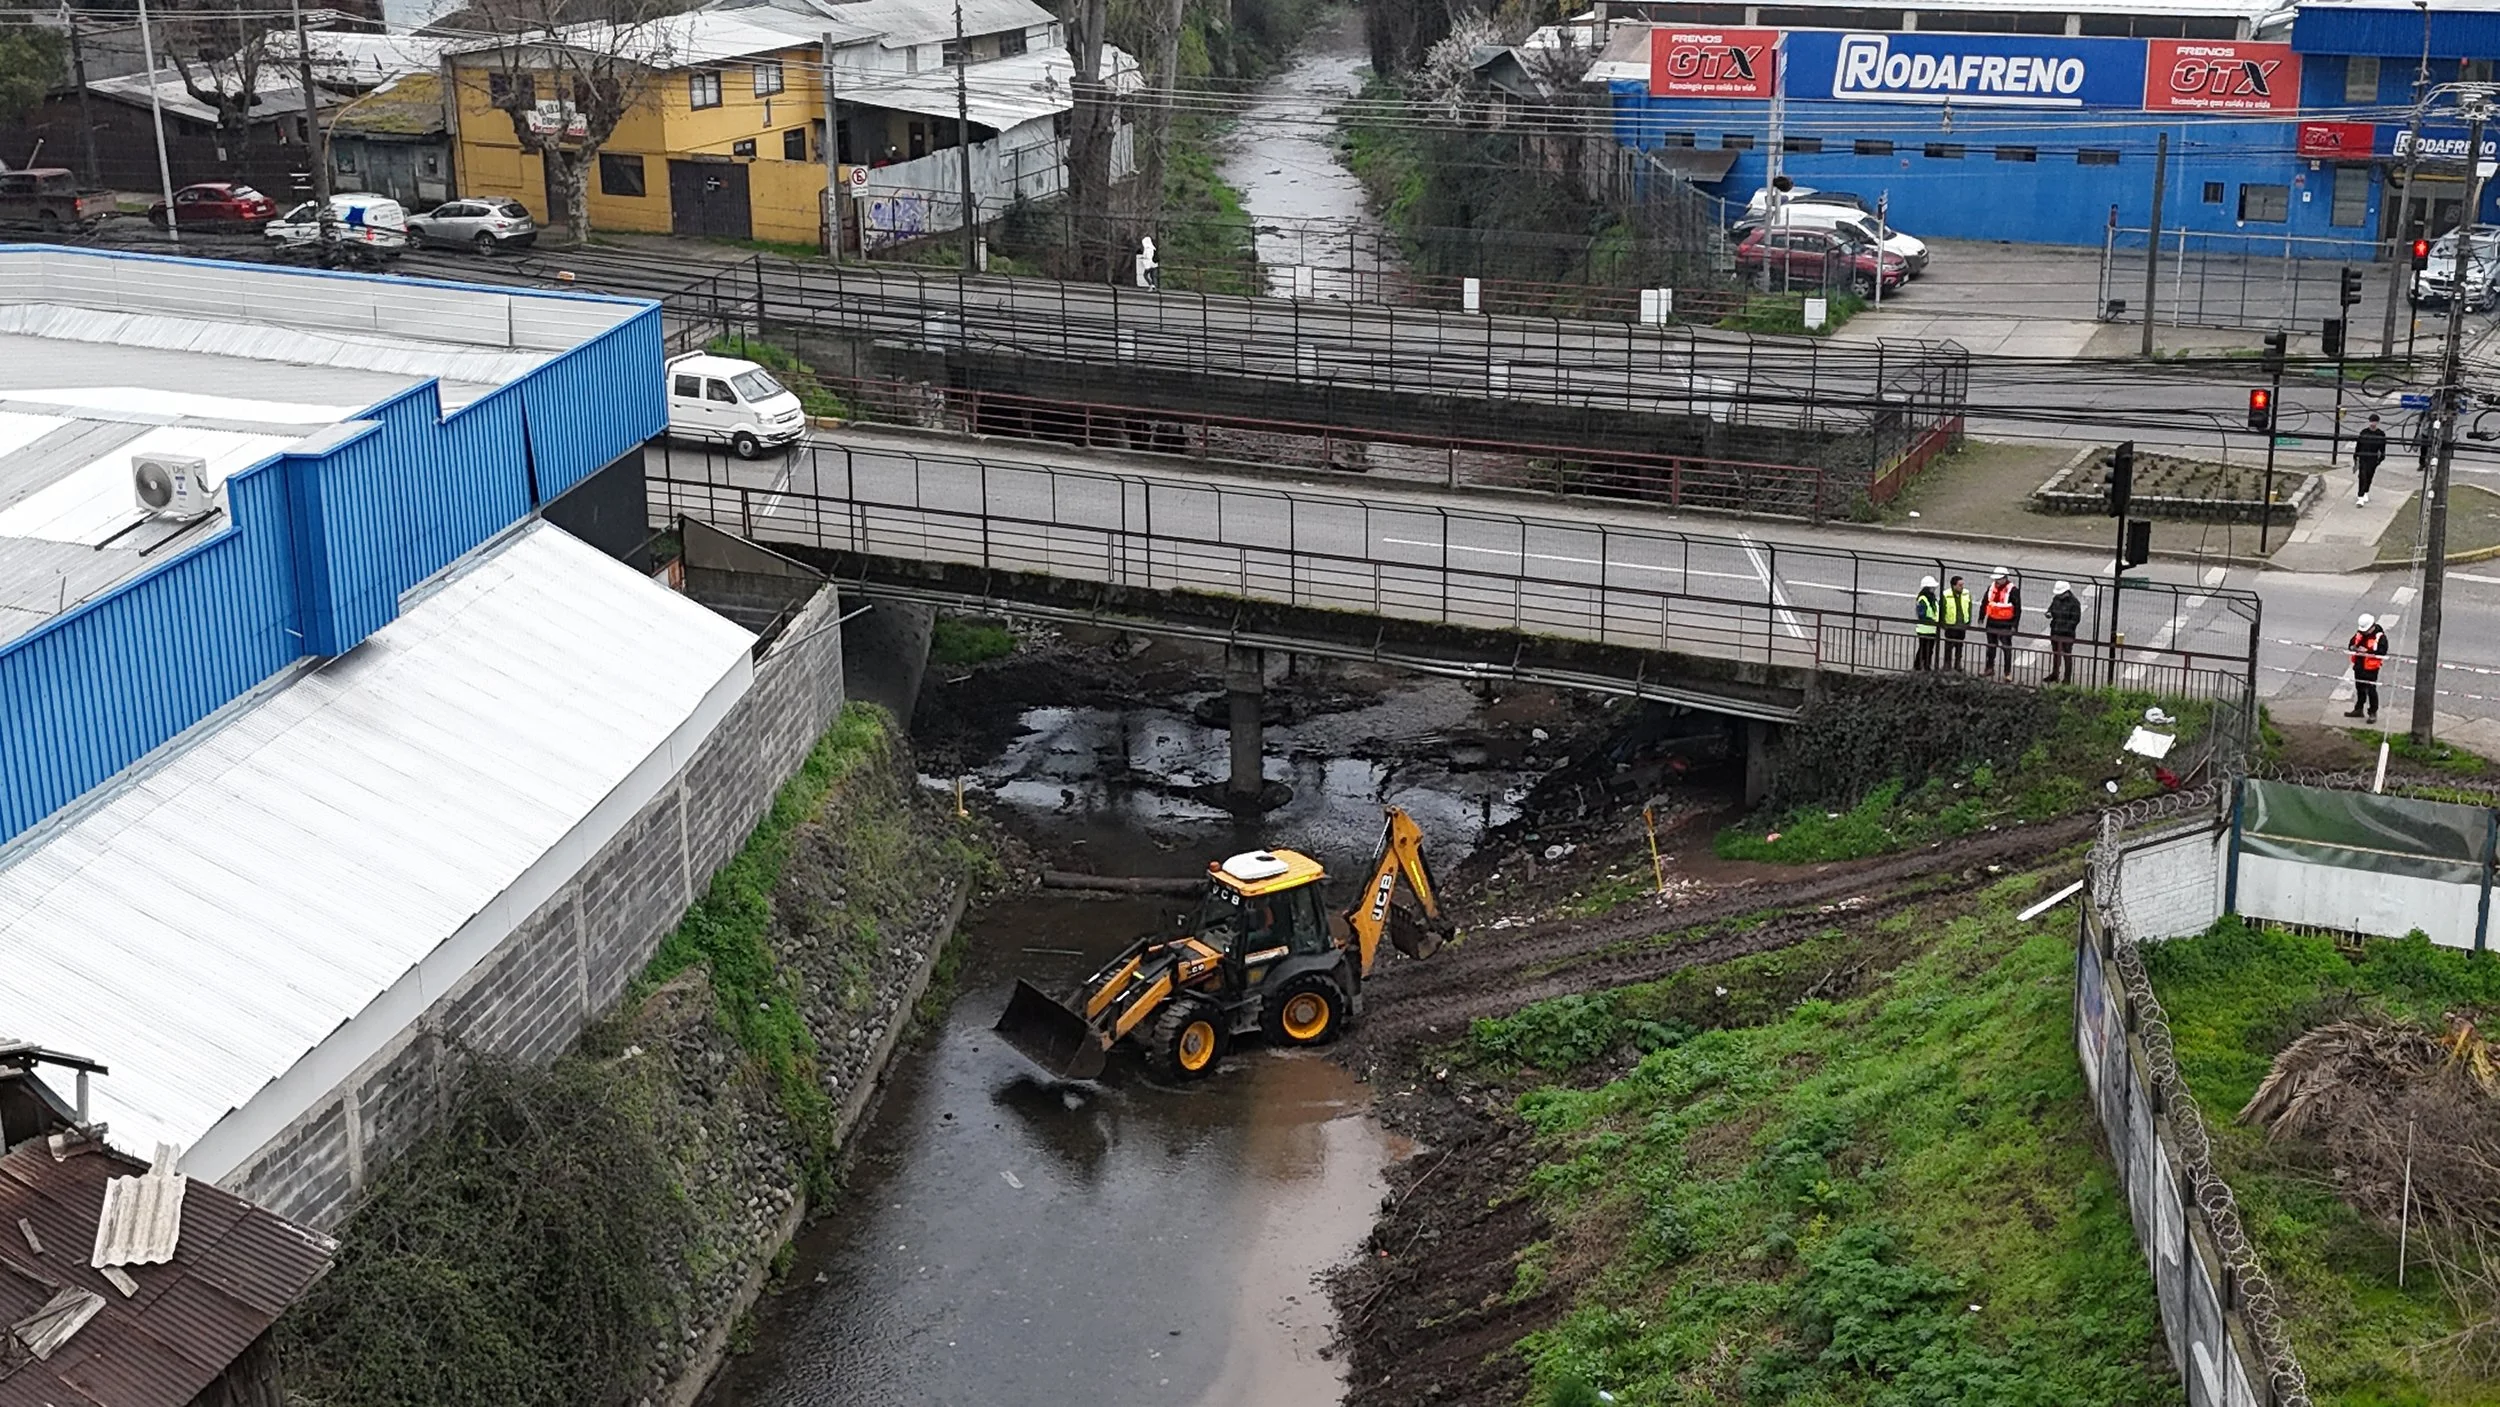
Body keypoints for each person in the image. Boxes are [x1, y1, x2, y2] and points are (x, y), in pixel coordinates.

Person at [2346, 612, 2389, 722]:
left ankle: (2372, 712)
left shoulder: (2380, 637)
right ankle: (2359, 709)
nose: (2363, 632)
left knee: (2371, 690)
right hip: (2359, 666)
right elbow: (2351, 643)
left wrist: (2368, 651)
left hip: (2371, 669)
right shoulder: (2360, 633)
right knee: (2359, 688)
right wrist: (2353, 647)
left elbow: (2382, 652)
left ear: (2372, 626)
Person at [1981, 566, 2022, 679]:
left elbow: (2017, 609)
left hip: (2006, 624)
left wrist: (2014, 625)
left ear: (2005, 578)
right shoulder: (1991, 588)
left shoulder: (2012, 590)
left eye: (1998, 579)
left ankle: (2007, 673)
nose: (1996, 581)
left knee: (2006, 649)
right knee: (1991, 647)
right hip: (1992, 622)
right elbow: (1985, 602)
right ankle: (1989, 668)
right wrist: (1981, 616)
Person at [2045, 580, 2081, 684]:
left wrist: (2065, 628)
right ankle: (2055, 674)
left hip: (2067, 634)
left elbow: (2075, 619)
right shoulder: (2056, 599)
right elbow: (2051, 609)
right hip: (2055, 631)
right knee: (2056, 654)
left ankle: (2067, 678)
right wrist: (2049, 613)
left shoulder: (2074, 603)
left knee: (2067, 655)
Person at [1941, 574, 1974, 671]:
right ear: (1953, 586)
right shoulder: (1946, 595)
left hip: (1961, 625)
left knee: (1959, 646)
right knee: (1948, 646)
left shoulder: (1966, 593)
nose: (1962, 587)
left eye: (1962, 584)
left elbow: (1969, 608)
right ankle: (1947, 664)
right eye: (1960, 585)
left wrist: (1967, 622)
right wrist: (1944, 624)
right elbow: (1942, 610)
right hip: (1951, 625)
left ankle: (1957, 664)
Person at [2355, 414, 2388, 507]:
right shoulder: (2364, 432)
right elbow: (2358, 445)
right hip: (2363, 457)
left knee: (2369, 475)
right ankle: (2360, 496)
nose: (2373, 423)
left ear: (2377, 423)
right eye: (2371, 421)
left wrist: (2380, 459)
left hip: (2373, 458)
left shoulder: (2381, 434)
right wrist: (2356, 456)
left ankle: (2366, 491)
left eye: (2374, 422)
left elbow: (2382, 448)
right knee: (2362, 475)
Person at [1913, 575, 1941, 671]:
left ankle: (1926, 665)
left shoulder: (1932, 599)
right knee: (1923, 648)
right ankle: (1918, 666)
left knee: (1929, 649)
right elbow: (1922, 615)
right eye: (1931, 587)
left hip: (1932, 629)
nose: (1933, 589)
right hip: (1924, 629)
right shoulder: (1923, 599)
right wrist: (1933, 621)